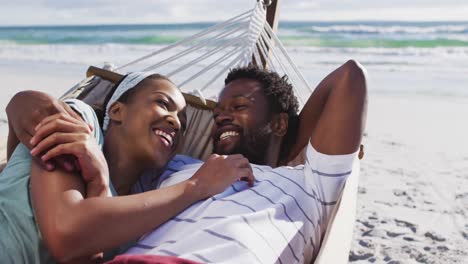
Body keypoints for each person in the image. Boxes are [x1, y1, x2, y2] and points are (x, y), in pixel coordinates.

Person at [6, 60, 367, 263]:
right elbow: (80, 227)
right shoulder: (174, 169)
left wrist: (287, 149)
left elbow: (348, 77)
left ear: (279, 123)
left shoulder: (306, 182)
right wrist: (22, 101)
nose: (222, 117)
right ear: (115, 110)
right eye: (219, 111)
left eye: (238, 108)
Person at [0, 72, 254, 263]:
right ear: (118, 110)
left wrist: (99, 182)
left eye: (183, 123)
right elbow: (66, 234)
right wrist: (196, 186)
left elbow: (79, 253)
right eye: (163, 103)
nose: (175, 122)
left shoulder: (140, 215)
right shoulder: (81, 123)